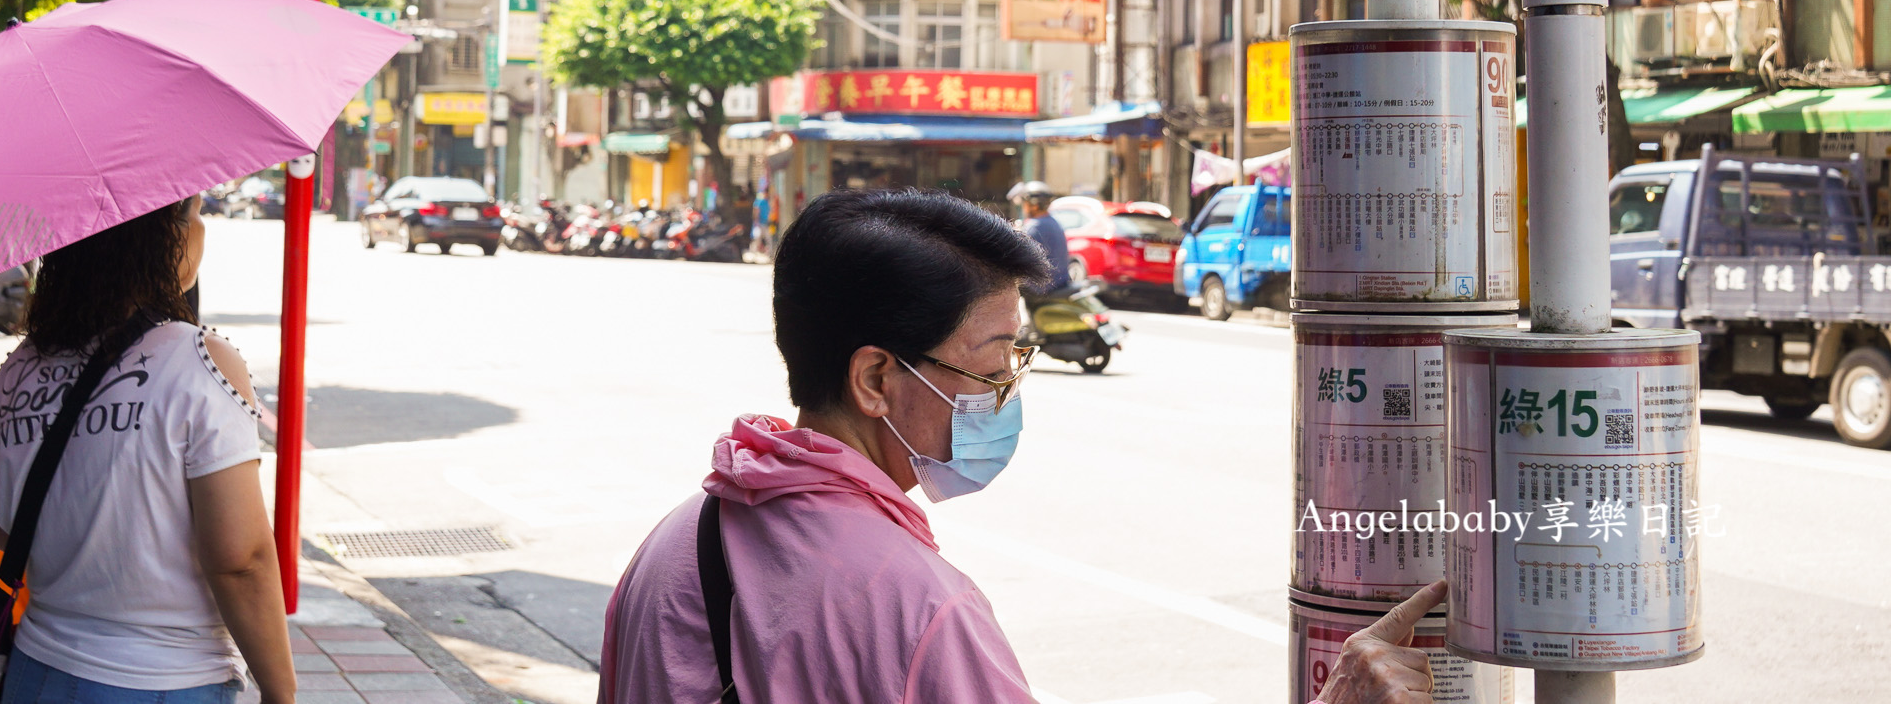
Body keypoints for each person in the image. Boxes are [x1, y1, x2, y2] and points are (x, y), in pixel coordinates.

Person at [596, 188, 1446, 704]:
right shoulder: (921, 609)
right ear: (874, 379)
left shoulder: (673, 547)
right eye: (994, 361)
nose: (1006, 392)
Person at [0, 197, 294, 704]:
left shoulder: (17, 369)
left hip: (33, 675)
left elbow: (2, 527)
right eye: (192, 212)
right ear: (158, 238)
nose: (202, 227)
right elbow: (242, 559)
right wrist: (282, 694)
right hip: (161, 683)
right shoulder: (200, 361)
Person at [1009, 181, 1072, 297]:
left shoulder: (1035, 226)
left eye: (1025, 203)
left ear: (1034, 205)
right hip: (1059, 282)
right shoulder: (1052, 222)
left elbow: (1015, 253)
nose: (1023, 207)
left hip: (1044, 288)